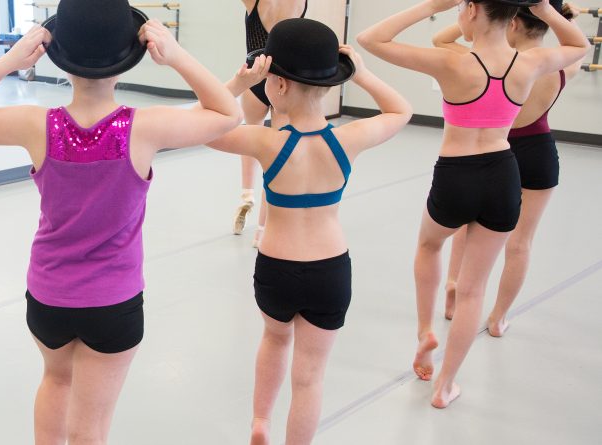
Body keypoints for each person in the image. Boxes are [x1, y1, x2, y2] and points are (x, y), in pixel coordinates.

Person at [0, 0, 241, 442]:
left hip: (48, 297)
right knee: (91, 428)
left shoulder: (35, 124)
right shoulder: (146, 126)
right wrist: (176, 56)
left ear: (60, 55)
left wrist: (8, 61)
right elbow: (227, 114)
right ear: (128, 59)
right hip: (112, 303)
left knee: (55, 381)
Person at [357, 0, 588, 408]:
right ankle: (445, 385)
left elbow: (369, 39)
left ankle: (427, 329)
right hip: (504, 173)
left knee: (430, 246)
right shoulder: (529, 63)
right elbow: (579, 46)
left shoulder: (453, 62)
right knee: (473, 290)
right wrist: (545, 9)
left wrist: (432, 5)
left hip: (456, 173)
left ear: (473, 11)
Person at [208, 19, 411, 444]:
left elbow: (202, 124)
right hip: (329, 271)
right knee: (310, 379)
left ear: (276, 85)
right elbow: (401, 111)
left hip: (277, 267)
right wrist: (364, 73)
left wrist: (240, 82)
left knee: (274, 339)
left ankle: (260, 421)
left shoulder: (266, 144)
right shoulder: (350, 137)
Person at [433, 0, 584, 336]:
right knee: (520, 243)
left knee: (467, 228)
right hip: (539, 154)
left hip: (492, 152)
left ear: (511, 23)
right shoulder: (559, 66)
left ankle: (453, 296)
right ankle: (498, 318)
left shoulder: (494, 62)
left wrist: (486, 9)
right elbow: (577, 45)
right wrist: (552, 11)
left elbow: (441, 40)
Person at [235, 0, 307, 246]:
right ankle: (262, 229)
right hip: (282, 85)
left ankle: (246, 194)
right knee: (274, 157)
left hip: (253, 80)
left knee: (250, 140)